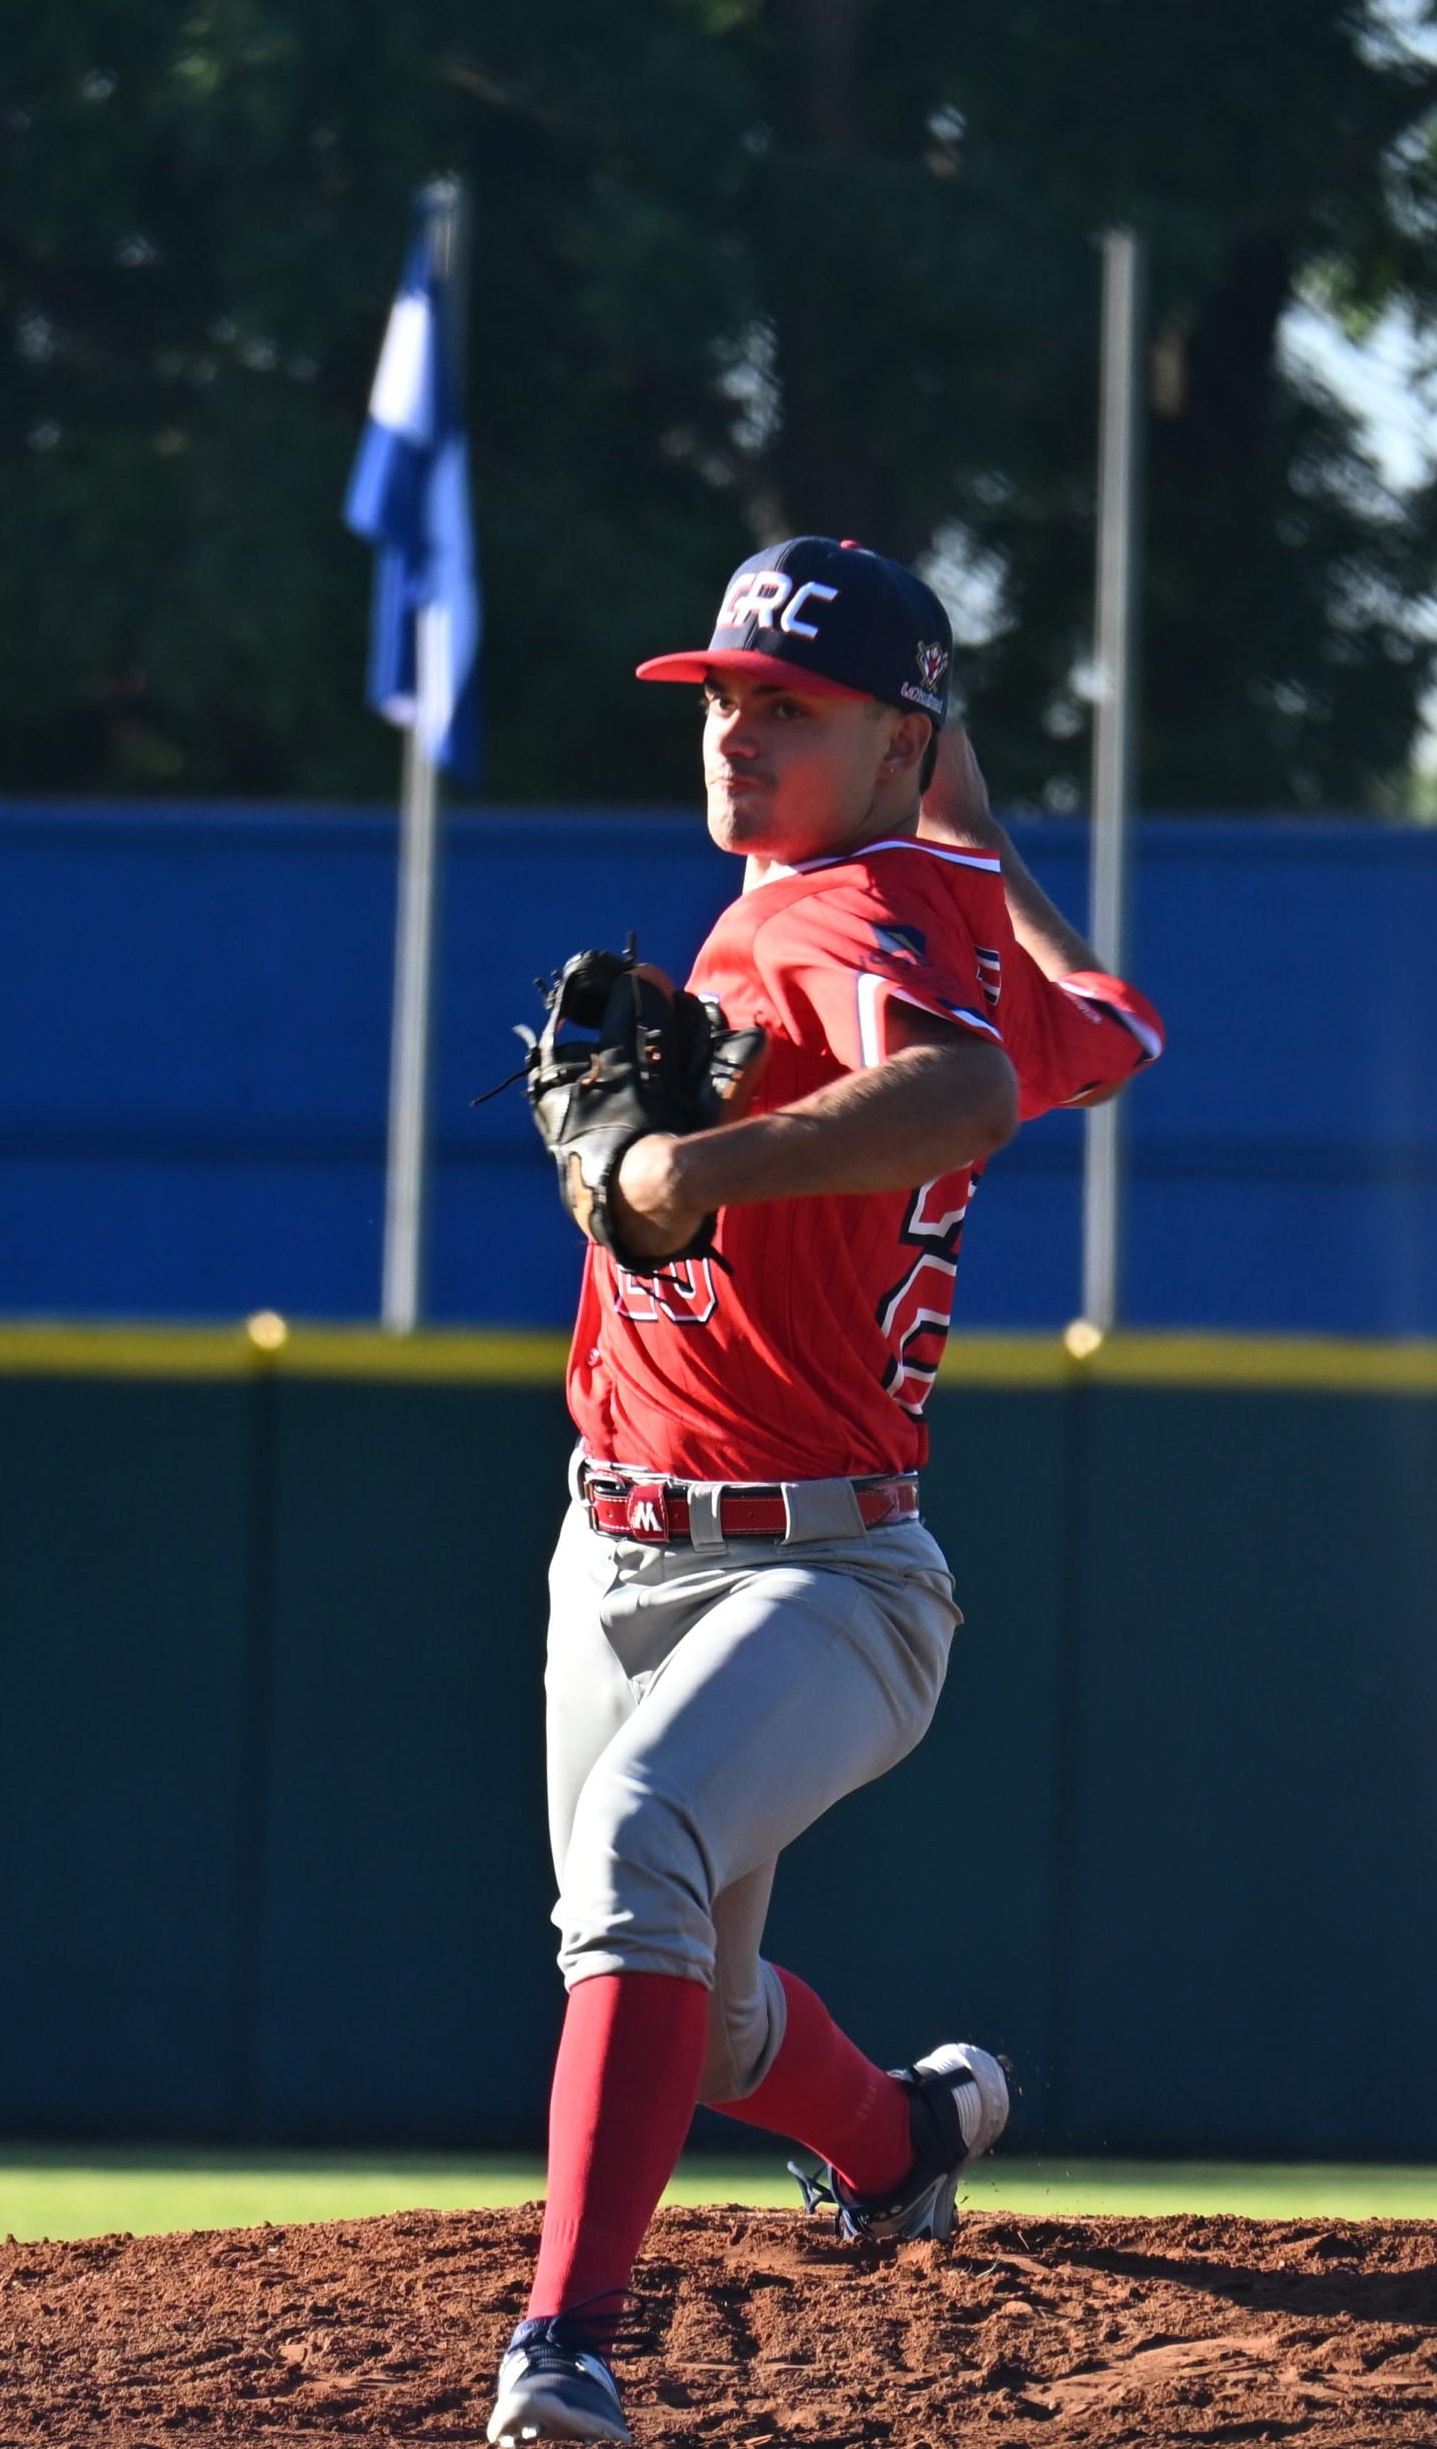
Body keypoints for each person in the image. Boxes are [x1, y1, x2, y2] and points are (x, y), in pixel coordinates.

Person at [486, 538, 1168, 2445]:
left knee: (635, 1853)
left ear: (885, 739)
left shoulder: (837, 918)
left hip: (832, 1571)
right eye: (722, 695)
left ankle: (566, 2345)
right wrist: (963, 800)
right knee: (692, 2017)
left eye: (787, 703)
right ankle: (906, 2141)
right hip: (616, 1532)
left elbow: (960, 1096)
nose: (735, 728)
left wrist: (685, 1174)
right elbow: (1106, 1025)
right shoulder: (913, 894)